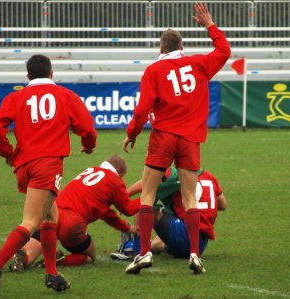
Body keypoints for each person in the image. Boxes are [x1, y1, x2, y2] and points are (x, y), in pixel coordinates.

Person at [122, 2, 231, 274]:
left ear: (161, 48)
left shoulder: (154, 71)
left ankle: (144, 252)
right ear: (181, 45)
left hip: (163, 137)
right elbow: (224, 51)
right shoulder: (198, 64)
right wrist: (209, 25)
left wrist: (131, 134)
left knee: (147, 195)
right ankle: (195, 254)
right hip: (190, 139)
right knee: (189, 198)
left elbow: (142, 110)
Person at [0, 54, 97, 296]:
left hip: (24, 165)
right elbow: (87, 128)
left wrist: (7, 151)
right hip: (47, 165)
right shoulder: (66, 96)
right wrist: (89, 145)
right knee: (32, 221)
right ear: (51, 73)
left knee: (50, 217)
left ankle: (52, 274)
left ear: (28, 77)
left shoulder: (16, 97)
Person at [8, 155, 140, 271]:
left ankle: (21, 259)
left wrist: (125, 227)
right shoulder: (114, 181)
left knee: (30, 251)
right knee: (90, 256)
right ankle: (59, 260)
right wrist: (146, 199)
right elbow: (128, 209)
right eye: (122, 176)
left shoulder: (91, 169)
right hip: (72, 223)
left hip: (52, 213)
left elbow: (105, 212)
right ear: (117, 171)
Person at [111, 167, 227, 264]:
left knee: (146, 205)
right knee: (156, 243)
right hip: (200, 244)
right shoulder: (210, 176)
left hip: (183, 236)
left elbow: (148, 181)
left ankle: (136, 250)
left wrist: (125, 197)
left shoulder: (178, 173)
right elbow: (223, 205)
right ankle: (151, 246)